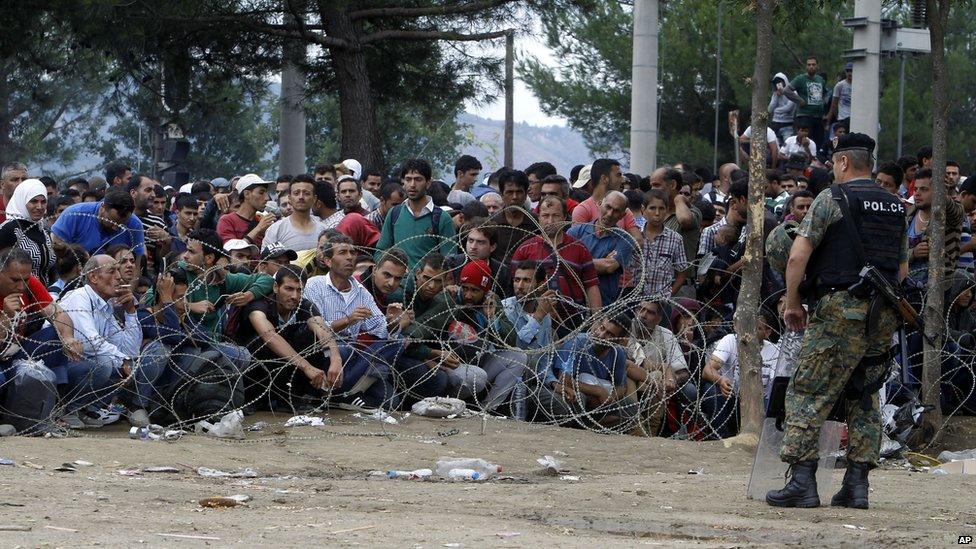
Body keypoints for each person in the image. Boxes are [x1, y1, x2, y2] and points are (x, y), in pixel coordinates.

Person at [767, 133, 908, 510]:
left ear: (843, 162)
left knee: (807, 392)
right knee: (864, 397)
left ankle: (802, 483)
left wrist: (793, 301)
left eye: (833, 163)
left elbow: (797, 256)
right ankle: (856, 487)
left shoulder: (834, 198)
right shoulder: (896, 205)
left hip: (839, 312)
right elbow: (902, 268)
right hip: (882, 314)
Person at [235, 265, 348, 409]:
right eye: (289, 289)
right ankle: (262, 400)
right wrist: (307, 367)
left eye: (299, 290)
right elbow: (270, 337)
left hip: (288, 371)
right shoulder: (259, 305)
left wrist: (335, 359)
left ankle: (300, 395)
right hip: (256, 373)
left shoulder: (304, 305)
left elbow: (322, 330)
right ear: (276, 287)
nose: (294, 296)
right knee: (263, 343)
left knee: (315, 339)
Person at [0, 249, 87, 432]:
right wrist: (4, 318)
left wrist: (69, 338)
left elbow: (57, 313)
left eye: (25, 279)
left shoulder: (30, 284)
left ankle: (54, 406)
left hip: (18, 351)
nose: (21, 287)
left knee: (56, 338)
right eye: (14, 280)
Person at [57, 254, 149, 427]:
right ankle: (69, 410)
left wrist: (130, 311)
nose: (119, 277)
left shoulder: (105, 306)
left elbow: (129, 350)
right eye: (112, 271)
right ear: (93, 277)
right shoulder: (80, 297)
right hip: (60, 364)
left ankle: (86, 408)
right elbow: (89, 341)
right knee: (106, 363)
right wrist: (123, 361)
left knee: (120, 363)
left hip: (80, 364)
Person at [512, 197, 601, 335]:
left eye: (556, 215)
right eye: (545, 216)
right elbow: (515, 285)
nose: (550, 221)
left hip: (573, 321)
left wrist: (596, 320)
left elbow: (591, 286)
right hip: (535, 320)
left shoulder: (579, 248)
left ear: (565, 217)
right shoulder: (525, 249)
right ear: (538, 218)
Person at [700, 313, 779, 438]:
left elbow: (775, 386)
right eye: (748, 326)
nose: (750, 332)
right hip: (732, 401)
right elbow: (707, 370)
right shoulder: (730, 340)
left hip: (759, 406)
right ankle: (719, 437)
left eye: (757, 328)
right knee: (711, 391)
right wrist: (721, 380)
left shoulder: (774, 351)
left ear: (767, 332)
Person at [554, 314, 638, 431]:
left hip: (599, 402)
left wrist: (610, 399)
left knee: (631, 407)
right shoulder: (577, 343)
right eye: (602, 328)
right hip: (572, 393)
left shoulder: (618, 353)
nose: (601, 335)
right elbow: (563, 379)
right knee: (579, 398)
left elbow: (621, 386)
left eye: (610, 334)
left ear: (619, 340)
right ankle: (586, 426)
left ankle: (592, 426)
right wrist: (598, 391)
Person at [626, 299, 692, 436]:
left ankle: (650, 432)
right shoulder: (625, 327)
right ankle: (634, 425)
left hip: (655, 384)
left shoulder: (665, 335)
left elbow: (683, 372)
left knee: (659, 378)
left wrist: (671, 381)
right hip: (629, 380)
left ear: (658, 319)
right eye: (640, 309)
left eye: (650, 312)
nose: (643, 315)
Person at [375, 159, 457, 270]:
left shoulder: (442, 218)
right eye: (408, 179)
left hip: (428, 284)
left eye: (418, 179)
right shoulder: (395, 213)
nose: (412, 185)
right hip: (397, 283)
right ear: (403, 182)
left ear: (428, 183)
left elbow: (449, 259)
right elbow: (381, 251)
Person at [567, 191, 635, 305]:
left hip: (605, 304)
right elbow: (565, 263)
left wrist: (577, 262)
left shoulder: (625, 239)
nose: (609, 214)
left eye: (616, 210)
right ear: (599, 204)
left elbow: (609, 266)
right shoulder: (576, 232)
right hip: (574, 301)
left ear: (622, 216)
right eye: (608, 207)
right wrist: (601, 263)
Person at [51, 187, 146, 264]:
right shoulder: (76, 214)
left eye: (121, 224)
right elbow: (56, 242)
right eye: (112, 221)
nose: (115, 227)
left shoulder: (134, 224)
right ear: (102, 208)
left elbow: (138, 262)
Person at [906, 168, 964, 285]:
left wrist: (943, 195)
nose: (917, 193)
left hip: (938, 288)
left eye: (924, 189)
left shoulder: (948, 214)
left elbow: (956, 213)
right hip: (907, 287)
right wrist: (913, 253)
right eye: (916, 189)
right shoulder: (909, 213)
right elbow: (898, 252)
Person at [0, 179, 57, 284]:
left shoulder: (43, 229)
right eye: (33, 201)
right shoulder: (8, 230)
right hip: (19, 295)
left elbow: (50, 269)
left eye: (43, 202)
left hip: (47, 295)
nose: (39, 207)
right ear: (22, 200)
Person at [571, 159, 642, 243]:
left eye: (616, 211)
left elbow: (638, 241)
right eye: (618, 175)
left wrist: (618, 250)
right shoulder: (583, 209)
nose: (622, 180)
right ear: (604, 178)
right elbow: (578, 246)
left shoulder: (624, 210)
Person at [443, 219, 512, 297]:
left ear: (492, 247)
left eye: (480, 242)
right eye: (470, 240)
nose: (473, 247)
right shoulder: (452, 264)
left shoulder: (502, 272)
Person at [640, 189, 689, 298]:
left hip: (661, 301)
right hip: (635, 299)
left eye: (661, 209)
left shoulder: (675, 239)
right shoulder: (636, 236)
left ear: (666, 210)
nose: (657, 213)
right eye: (652, 208)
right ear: (643, 210)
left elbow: (682, 274)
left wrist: (667, 296)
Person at [487, 169, 539, 265]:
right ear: (502, 195)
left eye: (519, 192)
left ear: (525, 195)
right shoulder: (491, 223)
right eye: (509, 192)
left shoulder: (536, 223)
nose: (514, 197)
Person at [263, 175, 326, 252]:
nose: (301, 197)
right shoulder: (275, 230)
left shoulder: (323, 230)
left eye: (306, 193)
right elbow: (266, 261)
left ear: (314, 199)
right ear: (290, 198)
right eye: (296, 193)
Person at [217, 174, 276, 248]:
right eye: (261, 193)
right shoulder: (227, 221)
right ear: (247, 194)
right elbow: (231, 251)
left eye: (266, 193)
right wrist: (259, 229)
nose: (267, 198)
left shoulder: (262, 220)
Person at [784, 56, 828, 149]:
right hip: (805, 116)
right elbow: (787, 90)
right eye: (809, 65)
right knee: (806, 142)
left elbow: (824, 94)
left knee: (819, 143)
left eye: (813, 64)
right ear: (806, 67)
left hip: (818, 117)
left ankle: (817, 161)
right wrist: (799, 100)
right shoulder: (800, 79)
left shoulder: (820, 80)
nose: (811, 66)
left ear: (817, 66)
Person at [768, 72, 797, 142]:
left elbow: (788, 108)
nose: (778, 84)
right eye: (776, 83)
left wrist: (776, 110)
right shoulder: (775, 94)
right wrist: (776, 97)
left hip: (787, 124)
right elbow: (769, 109)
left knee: (787, 145)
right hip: (775, 123)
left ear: (784, 82)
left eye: (779, 82)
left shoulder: (793, 92)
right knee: (775, 146)